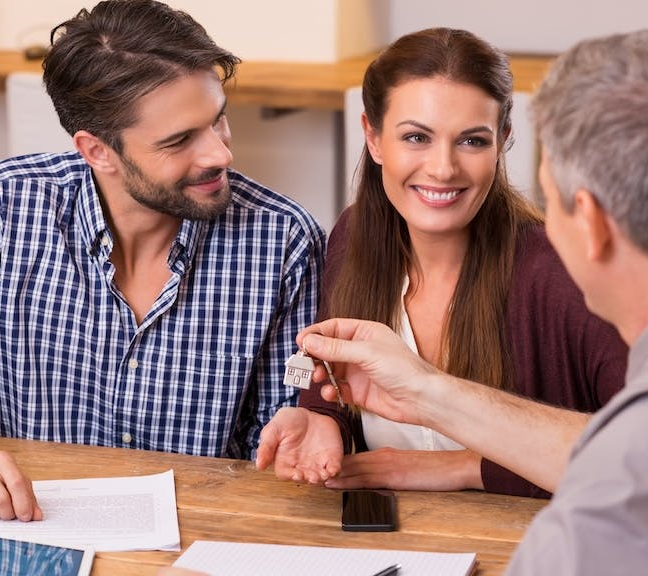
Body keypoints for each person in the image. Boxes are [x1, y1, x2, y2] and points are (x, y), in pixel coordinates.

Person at [272, 29, 648, 574]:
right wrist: (404, 397)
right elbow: (624, 448)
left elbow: (639, 454)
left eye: (551, 201)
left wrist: (458, 453)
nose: (442, 168)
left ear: (593, 225)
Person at [0, 0, 325, 523]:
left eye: (218, 121)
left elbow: (287, 439)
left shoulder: (283, 240)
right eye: (179, 141)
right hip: (34, 530)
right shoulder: (1, 207)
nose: (219, 154)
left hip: (206, 534)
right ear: (97, 151)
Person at [256, 27, 627, 498]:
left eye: (472, 141)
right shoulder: (353, 239)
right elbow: (337, 388)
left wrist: (464, 467)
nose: (443, 168)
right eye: (416, 137)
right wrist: (322, 420)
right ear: (372, 137)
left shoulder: (562, 271)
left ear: (503, 141)